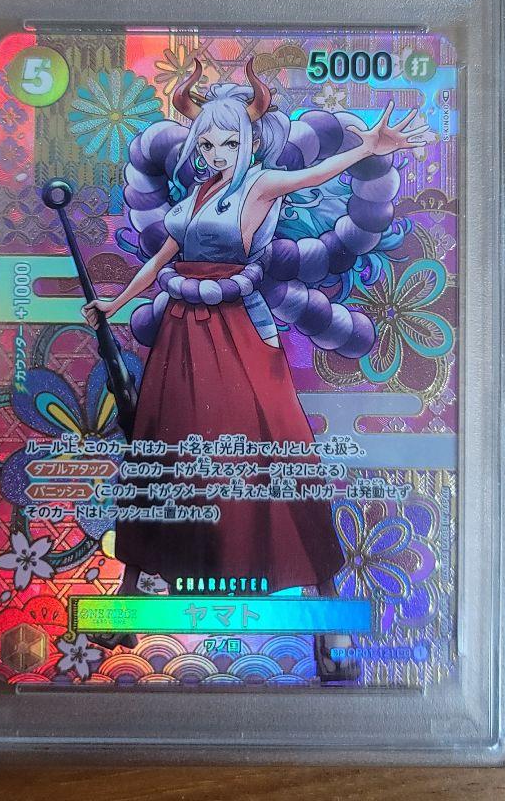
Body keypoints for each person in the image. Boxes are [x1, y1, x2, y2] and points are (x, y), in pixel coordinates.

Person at [82, 59, 429, 678]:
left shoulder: (261, 184)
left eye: (227, 142)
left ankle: (327, 608)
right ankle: (131, 591)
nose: (216, 154)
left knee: (278, 448)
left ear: (247, 141)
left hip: (237, 333)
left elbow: (315, 173)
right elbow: (160, 260)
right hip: (181, 336)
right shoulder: (194, 197)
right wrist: (115, 303)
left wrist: (367, 149)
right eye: (206, 144)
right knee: (163, 454)